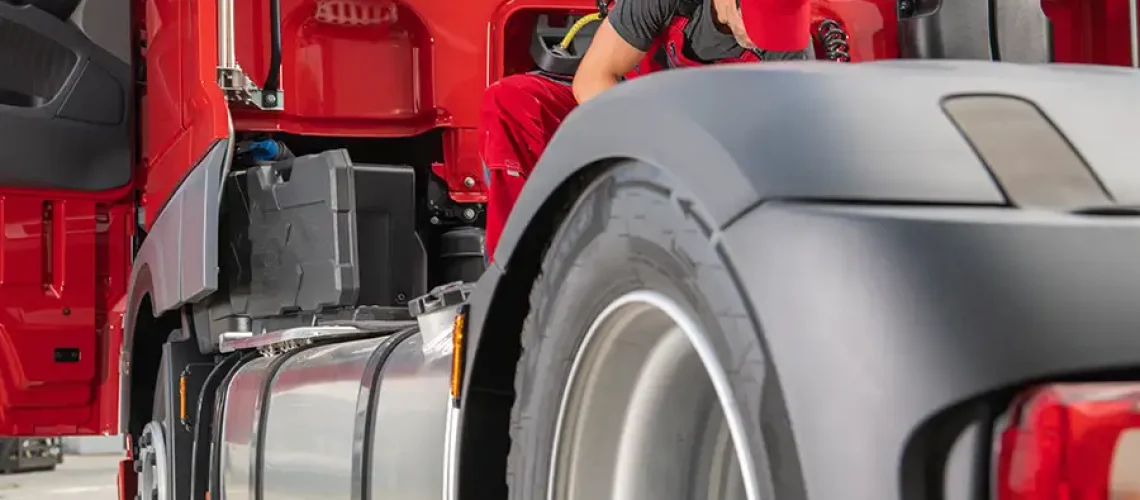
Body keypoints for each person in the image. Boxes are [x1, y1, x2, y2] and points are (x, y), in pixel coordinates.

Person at [478, 0, 813, 262]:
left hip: (720, 155)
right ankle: (519, 272)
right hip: (630, 118)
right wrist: (657, 148)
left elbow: (791, 153)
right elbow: (592, 79)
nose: (760, 39)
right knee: (510, 102)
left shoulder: (792, 49)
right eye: (756, 25)